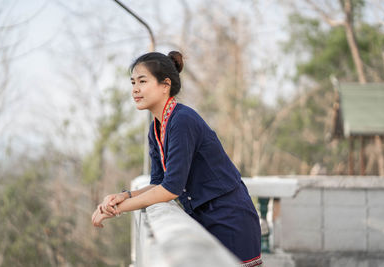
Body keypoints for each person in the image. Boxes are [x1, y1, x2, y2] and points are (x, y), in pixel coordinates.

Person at [91, 51, 262, 266]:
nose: (135, 89)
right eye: (133, 82)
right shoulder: (156, 128)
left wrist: (116, 209)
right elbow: (158, 183)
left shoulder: (182, 120)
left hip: (229, 218)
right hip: (201, 219)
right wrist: (124, 196)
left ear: (165, 85)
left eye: (143, 81)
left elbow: (171, 189)